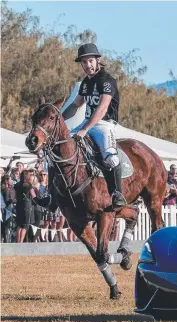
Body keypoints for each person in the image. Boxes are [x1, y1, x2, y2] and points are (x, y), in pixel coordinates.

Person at [63, 43, 125, 209]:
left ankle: (117, 194)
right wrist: (59, 118)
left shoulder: (107, 81)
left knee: (111, 158)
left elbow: (102, 108)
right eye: (84, 62)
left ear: (98, 61)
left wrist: (84, 129)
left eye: (90, 61)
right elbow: (76, 104)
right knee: (59, 146)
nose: (87, 65)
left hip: (104, 124)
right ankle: (52, 196)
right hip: (87, 123)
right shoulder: (85, 83)